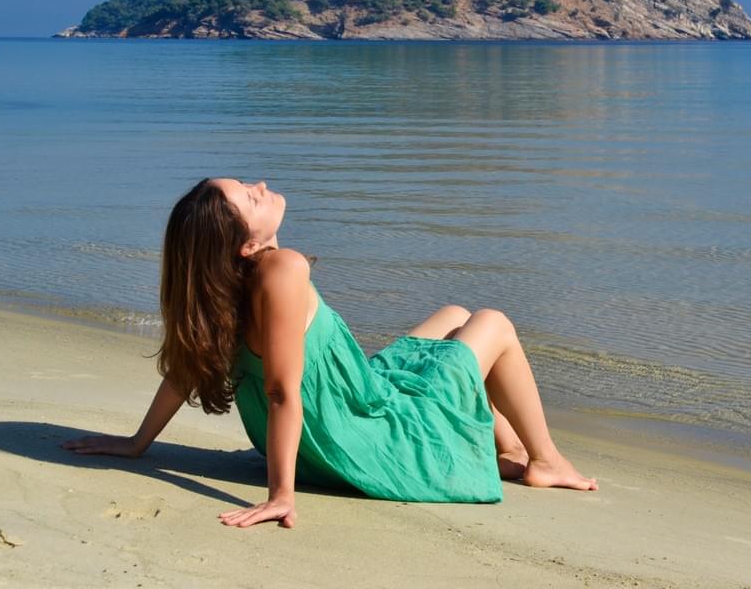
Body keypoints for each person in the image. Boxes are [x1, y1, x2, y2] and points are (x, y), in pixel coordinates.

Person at [62, 178, 596, 528]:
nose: (261, 186)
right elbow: (280, 390)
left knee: (454, 316)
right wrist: (281, 495)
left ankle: (506, 449)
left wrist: (138, 442)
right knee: (494, 323)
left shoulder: (223, 290)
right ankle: (545, 461)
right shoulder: (282, 268)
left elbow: (187, 368)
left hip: (333, 423)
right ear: (247, 245)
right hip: (361, 435)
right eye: (250, 197)